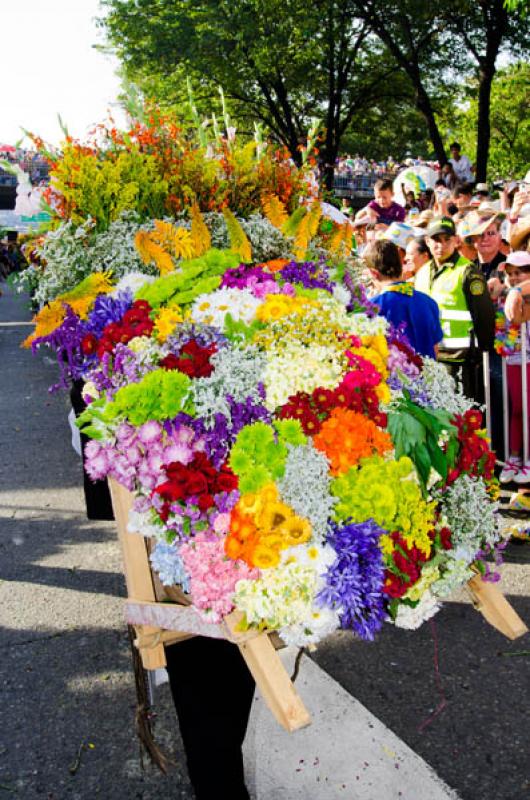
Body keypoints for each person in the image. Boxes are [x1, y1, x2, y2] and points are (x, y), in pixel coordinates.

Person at [420, 216, 495, 401]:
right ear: (428, 242)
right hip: (430, 360)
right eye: (436, 240)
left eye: (447, 239)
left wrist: (481, 353)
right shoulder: (421, 273)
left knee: (462, 421)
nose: (441, 245)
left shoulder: (467, 271)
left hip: (461, 363)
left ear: (456, 240)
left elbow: (484, 316)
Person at [363, 239, 443, 359]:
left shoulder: (371, 307)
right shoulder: (429, 302)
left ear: (373, 273)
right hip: (428, 376)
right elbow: (435, 349)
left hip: (391, 376)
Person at [498, 251, 530, 484]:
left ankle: (528, 457)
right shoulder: (504, 298)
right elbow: (503, 340)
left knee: (527, 409)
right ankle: (515, 456)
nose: (514, 278)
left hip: (529, 360)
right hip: (513, 359)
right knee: (517, 409)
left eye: (519, 273)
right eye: (510, 274)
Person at [467, 207, 506, 279]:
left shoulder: (509, 267)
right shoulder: (467, 269)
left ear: (499, 237)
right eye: (480, 234)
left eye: (491, 233)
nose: (485, 238)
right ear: (473, 239)